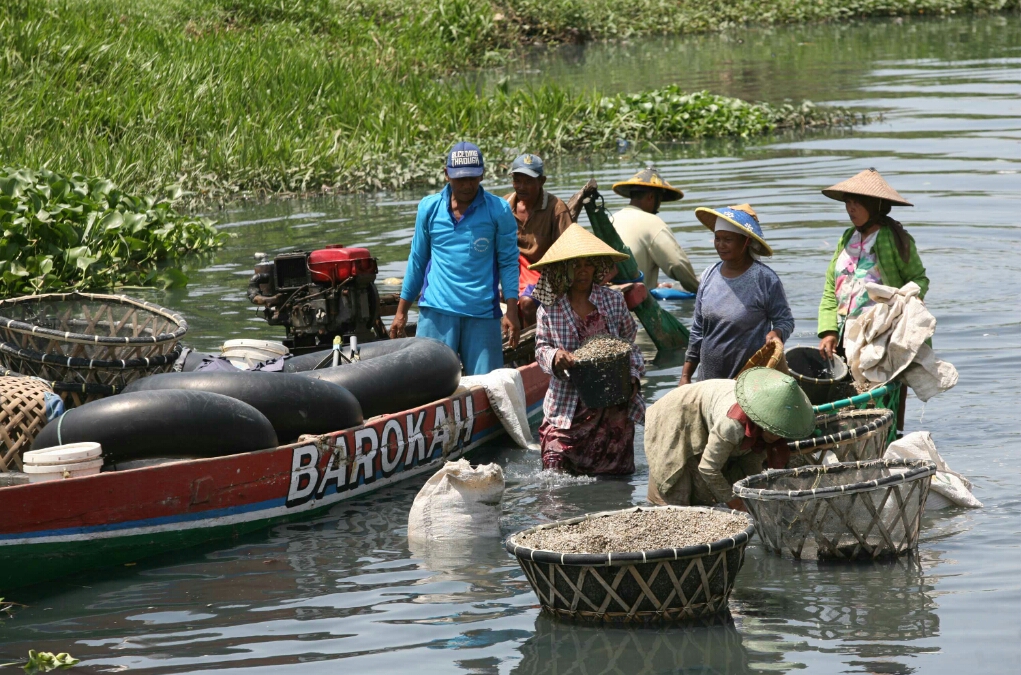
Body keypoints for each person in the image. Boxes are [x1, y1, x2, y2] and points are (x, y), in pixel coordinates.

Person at [390, 142, 520, 375]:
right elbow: (418, 260)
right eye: (460, 179)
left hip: (482, 313)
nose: (467, 185)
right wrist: (401, 312)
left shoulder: (498, 210)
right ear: (446, 174)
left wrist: (512, 310)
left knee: (487, 385)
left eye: (472, 178)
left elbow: (509, 262)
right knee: (430, 383)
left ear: (482, 174)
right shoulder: (429, 208)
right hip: (437, 311)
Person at [532, 224, 646, 476]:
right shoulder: (550, 308)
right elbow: (541, 348)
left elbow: (630, 345)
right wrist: (555, 357)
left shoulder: (612, 300)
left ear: (596, 267)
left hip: (612, 402)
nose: (582, 271)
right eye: (575, 265)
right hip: (567, 403)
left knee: (614, 476)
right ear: (563, 269)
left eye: (588, 264)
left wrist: (632, 379)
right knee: (554, 465)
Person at [645, 368, 815, 508]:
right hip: (677, 413)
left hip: (708, 416)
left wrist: (759, 494)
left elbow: (752, 461)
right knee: (674, 493)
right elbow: (708, 469)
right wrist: (734, 502)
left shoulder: (767, 429)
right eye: (774, 431)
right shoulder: (732, 424)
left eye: (782, 433)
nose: (778, 437)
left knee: (708, 493)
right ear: (762, 422)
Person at [817, 168, 929, 360]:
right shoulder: (847, 238)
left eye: (857, 203)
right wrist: (829, 331)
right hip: (844, 335)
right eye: (848, 202)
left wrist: (912, 299)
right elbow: (830, 287)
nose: (850, 208)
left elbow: (918, 280)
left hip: (880, 337)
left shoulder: (894, 239)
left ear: (873, 206)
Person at [680, 204, 794, 384]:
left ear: (746, 241)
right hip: (708, 381)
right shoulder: (709, 275)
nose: (721, 245)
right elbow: (697, 330)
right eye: (717, 238)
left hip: (749, 380)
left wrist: (776, 333)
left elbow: (785, 321)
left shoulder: (765, 279)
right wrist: (686, 376)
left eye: (728, 239)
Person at [503, 153, 573, 326]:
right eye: (517, 181)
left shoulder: (556, 209)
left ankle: (533, 340)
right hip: (512, 270)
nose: (521, 187)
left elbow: (567, 255)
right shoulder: (504, 205)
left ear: (541, 181)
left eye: (528, 181)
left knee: (527, 302)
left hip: (545, 275)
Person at [610, 167, 699, 292]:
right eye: (660, 199)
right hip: (633, 298)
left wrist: (655, 285)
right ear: (651, 197)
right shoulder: (653, 222)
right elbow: (678, 264)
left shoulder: (612, 219)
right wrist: (699, 289)